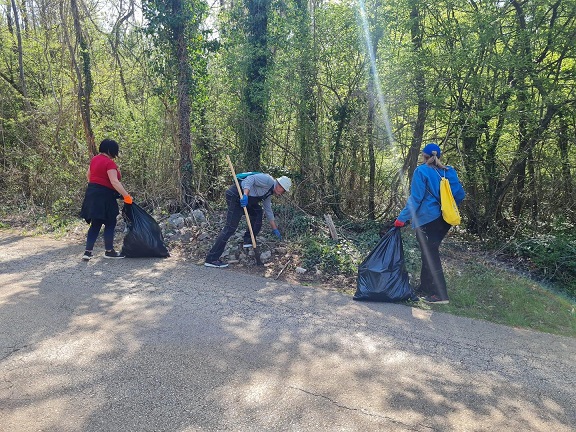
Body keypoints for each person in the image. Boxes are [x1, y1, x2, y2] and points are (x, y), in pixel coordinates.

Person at [394, 143, 465, 304]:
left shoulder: (421, 171)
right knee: (429, 251)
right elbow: (460, 194)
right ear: (438, 156)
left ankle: (440, 294)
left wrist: (402, 218)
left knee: (431, 254)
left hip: (427, 219)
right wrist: (445, 206)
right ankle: (425, 287)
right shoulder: (449, 171)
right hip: (445, 220)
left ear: (424, 156)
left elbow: (416, 199)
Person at [204, 173, 292, 268]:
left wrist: (275, 229)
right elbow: (250, 179)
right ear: (279, 186)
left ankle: (248, 240)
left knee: (258, 212)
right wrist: (245, 195)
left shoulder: (269, 193)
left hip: (245, 200)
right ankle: (211, 259)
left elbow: (268, 210)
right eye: (283, 190)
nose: (282, 192)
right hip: (236, 196)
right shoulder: (268, 180)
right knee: (230, 228)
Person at [80, 139, 133, 261]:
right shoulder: (109, 163)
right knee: (110, 223)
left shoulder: (94, 160)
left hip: (92, 194)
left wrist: (95, 187)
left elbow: (88, 175)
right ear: (111, 150)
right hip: (105, 196)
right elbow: (114, 181)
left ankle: (87, 252)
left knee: (96, 223)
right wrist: (126, 196)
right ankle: (109, 251)